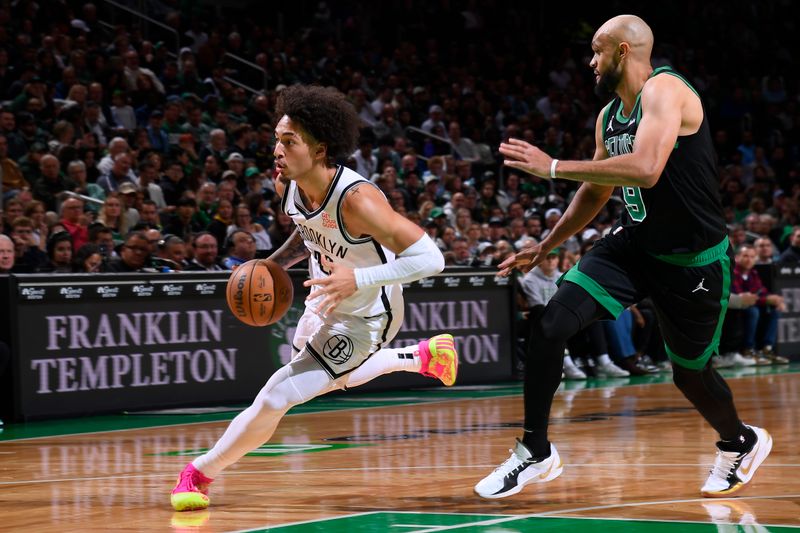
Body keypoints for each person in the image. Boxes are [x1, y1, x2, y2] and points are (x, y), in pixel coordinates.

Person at [475, 15, 771, 500]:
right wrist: (546, 245)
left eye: (597, 51)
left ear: (623, 52)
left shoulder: (666, 90)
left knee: (690, 377)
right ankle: (535, 450)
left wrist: (551, 167)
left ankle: (739, 441)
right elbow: (596, 188)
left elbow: (648, 169)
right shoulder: (610, 115)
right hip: (633, 245)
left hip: (693, 261)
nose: (590, 62)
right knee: (551, 323)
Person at [171, 85, 458, 511]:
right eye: (276, 140)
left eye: (288, 142)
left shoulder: (358, 201)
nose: (277, 150)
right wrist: (274, 264)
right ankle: (421, 358)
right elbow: (309, 232)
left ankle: (197, 474)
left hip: (366, 316)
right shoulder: (289, 184)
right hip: (323, 299)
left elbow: (431, 259)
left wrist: (359, 278)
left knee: (277, 396)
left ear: (320, 149)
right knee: (331, 379)